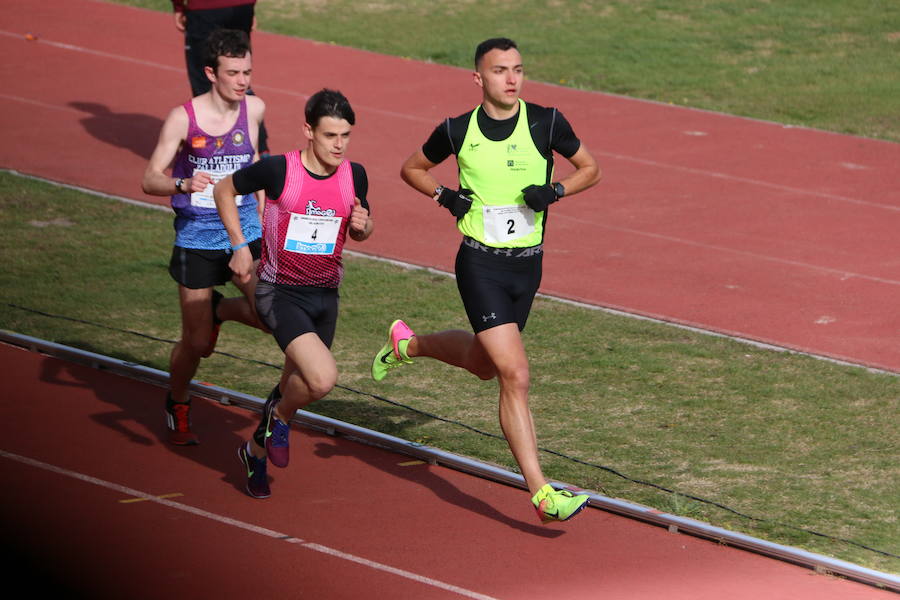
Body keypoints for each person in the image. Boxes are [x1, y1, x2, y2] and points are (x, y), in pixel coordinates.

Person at [375, 37, 602, 524]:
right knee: (515, 374)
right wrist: (445, 196)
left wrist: (554, 190)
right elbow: (411, 168)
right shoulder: (457, 131)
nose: (512, 79)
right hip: (480, 264)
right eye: (500, 71)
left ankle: (407, 346)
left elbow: (590, 169)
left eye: (518, 69)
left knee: (483, 364)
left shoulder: (547, 122)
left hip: (528, 267)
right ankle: (542, 492)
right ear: (479, 79)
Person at [214, 89, 374, 499]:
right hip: (280, 292)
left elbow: (361, 227)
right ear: (308, 130)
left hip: (326, 296)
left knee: (295, 384)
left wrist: (362, 225)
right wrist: (237, 245)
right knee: (321, 379)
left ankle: (253, 452)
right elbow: (223, 191)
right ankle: (279, 420)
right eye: (330, 136)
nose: (339, 145)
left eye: (346, 136)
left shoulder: (354, 175)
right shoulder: (277, 171)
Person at [142, 28, 266, 446]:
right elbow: (149, 179)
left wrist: (264, 210)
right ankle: (178, 399)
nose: (243, 80)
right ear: (211, 72)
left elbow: (255, 162)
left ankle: (219, 311)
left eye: (247, 71)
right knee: (197, 345)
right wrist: (183, 184)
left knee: (272, 317)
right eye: (233, 72)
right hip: (196, 236)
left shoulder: (255, 109)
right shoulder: (183, 118)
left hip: (245, 232)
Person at [171, 0, 269, 154]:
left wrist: (178, 6)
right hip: (241, 8)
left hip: (205, 8)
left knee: (206, 79)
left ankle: (215, 151)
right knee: (239, 76)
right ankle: (260, 149)